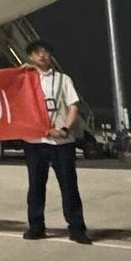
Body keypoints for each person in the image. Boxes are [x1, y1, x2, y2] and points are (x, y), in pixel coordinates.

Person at [21, 39, 92, 244]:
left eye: (45, 52)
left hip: (62, 142)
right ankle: (36, 226)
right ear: (30, 57)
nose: (42, 55)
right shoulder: (25, 79)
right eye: (36, 53)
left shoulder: (63, 79)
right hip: (35, 141)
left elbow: (73, 106)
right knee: (36, 186)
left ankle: (76, 227)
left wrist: (65, 129)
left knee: (69, 186)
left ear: (51, 56)